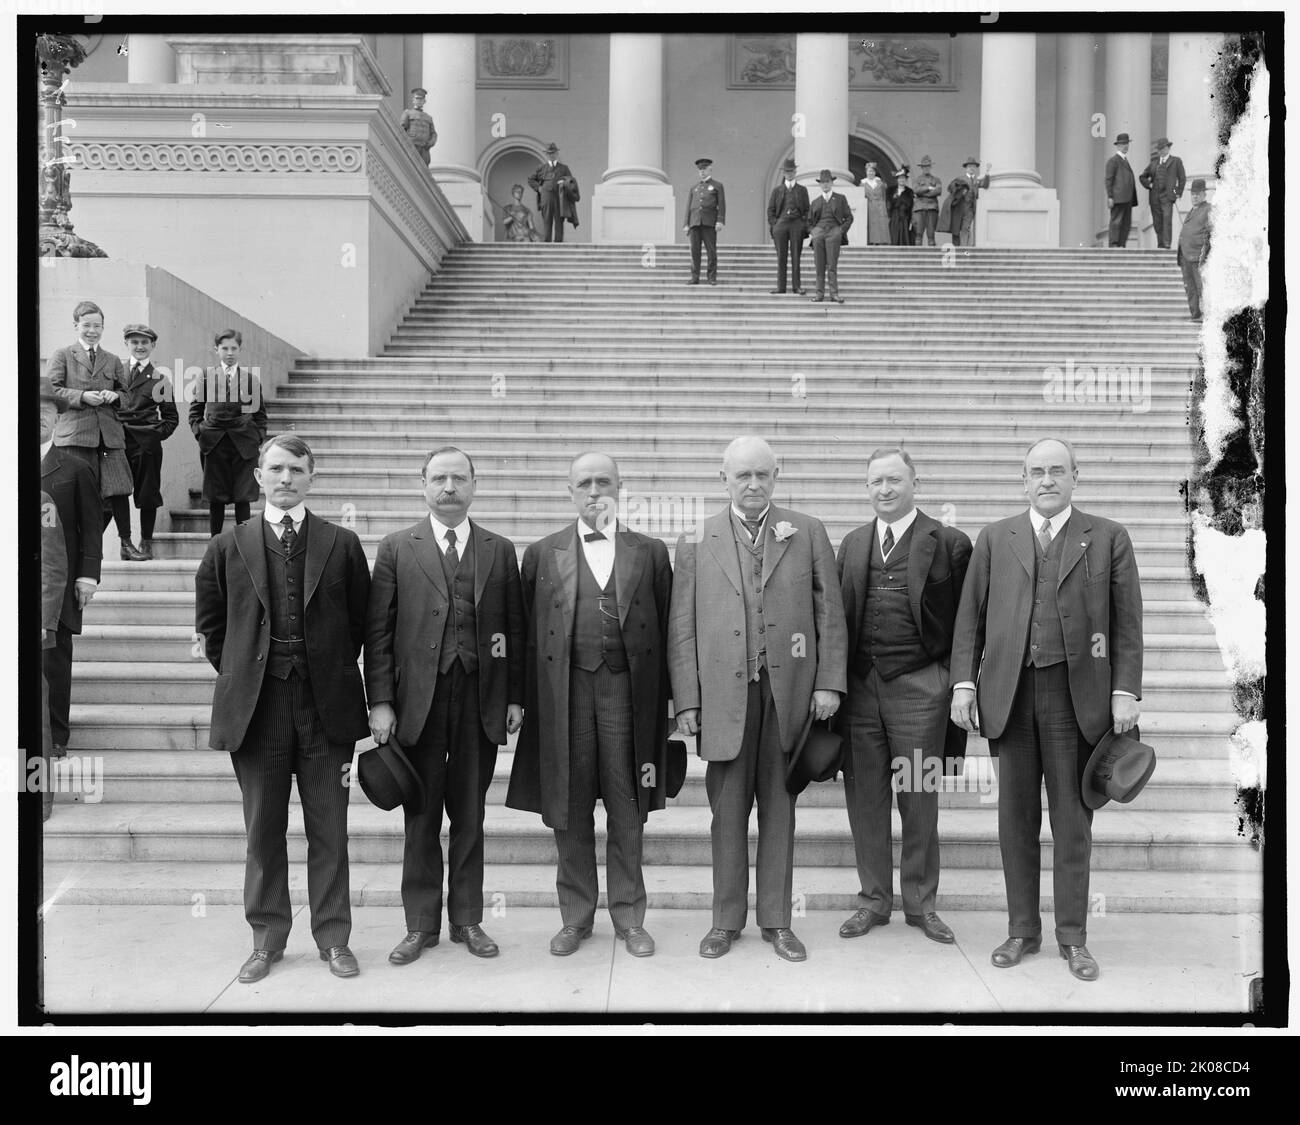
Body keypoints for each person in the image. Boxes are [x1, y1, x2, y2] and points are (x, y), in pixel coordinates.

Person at [950, 438, 1143, 982]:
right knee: (1014, 820)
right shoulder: (995, 538)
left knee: (1071, 821)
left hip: (1075, 699)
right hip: (1008, 698)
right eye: (1037, 472)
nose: (1047, 480)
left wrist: (1125, 689)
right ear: (1024, 480)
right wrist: (964, 683)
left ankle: (1074, 938)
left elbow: (1126, 621)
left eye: (1058, 471)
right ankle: (1021, 930)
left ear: (1076, 476)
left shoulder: (1107, 537)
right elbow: (970, 617)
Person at [194, 434, 372, 983]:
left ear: (311, 476)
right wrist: (249, 674)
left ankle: (334, 939)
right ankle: (267, 938)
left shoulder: (341, 543)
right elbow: (212, 627)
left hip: (326, 710)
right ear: (258, 475)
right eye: (276, 468)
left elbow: (361, 623)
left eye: (296, 469)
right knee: (262, 830)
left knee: (330, 829)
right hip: (258, 708)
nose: (286, 478)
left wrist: (324, 667)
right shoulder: (229, 545)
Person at [668, 436, 847, 963]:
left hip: (786, 697)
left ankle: (777, 921)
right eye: (742, 475)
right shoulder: (696, 538)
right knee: (726, 815)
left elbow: (830, 613)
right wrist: (687, 699)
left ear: (776, 475)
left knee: (779, 811)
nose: (753, 485)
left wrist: (828, 682)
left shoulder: (807, 530)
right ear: (722, 477)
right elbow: (682, 627)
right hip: (723, 698)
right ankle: (725, 921)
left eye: (762, 475)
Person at [506, 453, 674, 958]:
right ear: (570, 491)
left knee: (628, 807)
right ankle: (576, 917)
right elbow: (522, 635)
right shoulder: (540, 553)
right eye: (585, 483)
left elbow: (668, 632)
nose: (594, 491)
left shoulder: (650, 551)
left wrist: (669, 703)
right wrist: (518, 698)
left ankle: (629, 916)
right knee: (569, 807)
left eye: (604, 482)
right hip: (565, 695)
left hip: (628, 693)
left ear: (621, 487)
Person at [365, 447, 525, 965]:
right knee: (421, 814)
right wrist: (381, 702)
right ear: (424, 486)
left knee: (471, 815)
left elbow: (514, 632)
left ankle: (468, 920)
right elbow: (379, 632)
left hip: (479, 698)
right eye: (439, 478)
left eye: (459, 478)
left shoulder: (499, 550)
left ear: (475, 485)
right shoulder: (396, 547)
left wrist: (514, 695)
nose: (449, 486)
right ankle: (419, 925)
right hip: (419, 703)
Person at [836, 449, 971, 945]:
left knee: (919, 799)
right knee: (865, 799)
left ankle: (920, 903)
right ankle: (873, 901)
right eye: (876, 482)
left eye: (895, 480)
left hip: (921, 690)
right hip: (861, 693)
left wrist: (954, 681)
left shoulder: (950, 543)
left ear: (915, 482)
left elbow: (966, 622)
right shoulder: (851, 544)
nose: (885, 489)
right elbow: (835, 623)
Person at [45, 300, 140, 560]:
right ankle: (78, 547)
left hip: (108, 437)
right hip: (75, 437)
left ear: (103, 328)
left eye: (97, 326)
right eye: (86, 325)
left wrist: (115, 396)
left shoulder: (112, 360)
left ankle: (125, 544)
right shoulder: (63, 354)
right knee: (77, 496)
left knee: (119, 491)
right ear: (76, 325)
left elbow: (128, 396)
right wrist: (83, 396)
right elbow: (51, 391)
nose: (92, 331)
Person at [40, 375, 102, 762]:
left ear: (58, 419)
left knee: (54, 659)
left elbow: (91, 525)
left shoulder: (74, 468)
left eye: (46, 413)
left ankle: (57, 736)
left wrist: (88, 575)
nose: (39, 420)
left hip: (58, 584)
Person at [189, 329, 268, 537]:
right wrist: (201, 433)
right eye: (225, 348)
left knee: (243, 497)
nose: (230, 353)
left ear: (240, 350)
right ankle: (215, 543)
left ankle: (244, 544)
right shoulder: (206, 377)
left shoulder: (250, 380)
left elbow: (260, 415)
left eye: (234, 348)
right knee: (216, 497)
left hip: (244, 444)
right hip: (214, 443)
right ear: (216, 350)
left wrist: (257, 436)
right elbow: (195, 411)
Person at [115, 324, 178, 561]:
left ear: (153, 346)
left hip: (146, 446)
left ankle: (146, 541)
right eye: (134, 342)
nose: (139, 347)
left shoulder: (160, 379)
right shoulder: (114, 373)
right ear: (127, 344)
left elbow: (172, 418)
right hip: (117, 444)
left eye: (144, 342)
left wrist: (153, 435)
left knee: (147, 495)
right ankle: (125, 542)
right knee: (115, 494)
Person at [39, 378, 72, 819]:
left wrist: (43, 623)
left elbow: (51, 568)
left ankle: (37, 797)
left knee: (32, 711)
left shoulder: (40, 498)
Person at [807, 169, 853, 304]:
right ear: (820, 184)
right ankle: (819, 294)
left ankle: (834, 294)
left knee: (832, 266)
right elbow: (808, 222)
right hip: (819, 234)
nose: (825, 184)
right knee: (819, 265)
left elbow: (849, 217)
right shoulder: (815, 202)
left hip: (834, 232)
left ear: (831, 183)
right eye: (822, 182)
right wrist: (813, 232)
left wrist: (840, 230)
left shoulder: (840, 199)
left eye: (827, 182)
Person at [766, 157, 809, 295]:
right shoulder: (777, 190)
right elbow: (770, 210)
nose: (789, 174)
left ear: (795, 172)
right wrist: (774, 225)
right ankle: (781, 287)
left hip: (796, 224)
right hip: (781, 224)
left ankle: (797, 287)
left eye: (791, 171)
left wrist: (803, 225)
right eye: (786, 171)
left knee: (796, 256)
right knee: (781, 257)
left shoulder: (802, 190)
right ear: (783, 173)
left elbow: (807, 210)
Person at [683, 157, 726, 286]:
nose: (702, 172)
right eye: (700, 170)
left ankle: (711, 277)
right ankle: (694, 277)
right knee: (694, 251)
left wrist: (720, 221)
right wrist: (686, 223)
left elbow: (722, 205)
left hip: (709, 222)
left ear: (710, 169)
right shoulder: (694, 187)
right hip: (695, 223)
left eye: (704, 169)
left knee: (711, 251)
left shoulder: (717, 186)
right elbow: (689, 207)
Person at [1139, 137, 1187, 249]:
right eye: (1159, 149)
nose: (1161, 151)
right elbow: (1142, 177)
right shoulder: (1154, 163)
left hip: (1168, 196)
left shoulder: (1176, 161)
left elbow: (1182, 178)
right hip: (1154, 197)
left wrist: (1177, 192)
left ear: (1168, 148)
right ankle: (1160, 244)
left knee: (1167, 219)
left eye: (1163, 148)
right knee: (1157, 222)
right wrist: (1149, 185)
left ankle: (1166, 244)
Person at [527, 142, 579, 243]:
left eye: (553, 153)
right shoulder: (541, 168)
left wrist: (564, 183)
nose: (551, 155)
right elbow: (531, 180)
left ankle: (558, 243)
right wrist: (539, 188)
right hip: (546, 198)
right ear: (546, 154)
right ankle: (547, 242)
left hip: (560, 197)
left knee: (559, 221)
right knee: (547, 220)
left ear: (557, 154)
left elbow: (571, 182)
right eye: (549, 153)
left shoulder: (564, 168)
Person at [1177, 179, 1211, 322]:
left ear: (1204, 194)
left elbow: (1212, 233)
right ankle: (1195, 314)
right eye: (1193, 194)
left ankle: (1207, 316)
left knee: (1201, 287)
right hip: (1185, 256)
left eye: (1197, 194)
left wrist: (1205, 254)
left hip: (1198, 257)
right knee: (1190, 288)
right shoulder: (1193, 210)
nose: (1195, 197)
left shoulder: (1209, 209)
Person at [945, 157, 990, 247]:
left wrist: (987, 173)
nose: (971, 168)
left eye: (973, 166)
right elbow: (950, 188)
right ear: (966, 168)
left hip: (970, 208)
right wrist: (960, 191)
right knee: (956, 229)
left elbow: (985, 185)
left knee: (966, 228)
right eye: (969, 166)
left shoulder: (977, 180)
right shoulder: (960, 178)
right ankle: (957, 248)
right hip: (959, 207)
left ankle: (964, 248)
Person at [1105, 133, 1138, 247]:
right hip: (1118, 197)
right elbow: (1109, 179)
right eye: (1123, 144)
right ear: (1118, 145)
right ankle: (1114, 244)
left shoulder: (1125, 160)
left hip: (1127, 198)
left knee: (1126, 223)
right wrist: (1110, 196)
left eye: (1127, 143)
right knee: (1116, 221)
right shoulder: (1113, 161)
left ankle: (1121, 244)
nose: (1126, 146)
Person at [399, 87, 437, 166]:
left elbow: (433, 134)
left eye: (421, 99)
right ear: (413, 100)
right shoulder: (408, 113)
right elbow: (402, 129)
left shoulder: (428, 118)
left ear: (424, 101)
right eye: (417, 99)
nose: (419, 101)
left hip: (424, 148)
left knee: (424, 170)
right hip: (412, 146)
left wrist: (430, 143)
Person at [911, 155, 942, 246]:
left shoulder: (936, 179)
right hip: (919, 208)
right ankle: (917, 256)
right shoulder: (917, 179)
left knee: (931, 233)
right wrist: (928, 188)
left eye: (928, 166)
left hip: (932, 207)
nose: (926, 168)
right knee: (918, 233)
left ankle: (932, 255)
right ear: (921, 167)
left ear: (930, 167)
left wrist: (923, 192)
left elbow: (938, 191)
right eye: (924, 166)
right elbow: (916, 190)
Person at [861, 162, 890, 245]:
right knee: (870, 224)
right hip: (868, 206)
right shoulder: (862, 183)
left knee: (880, 223)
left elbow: (884, 196)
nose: (871, 173)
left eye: (873, 171)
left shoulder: (880, 183)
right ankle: (870, 242)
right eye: (869, 171)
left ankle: (880, 241)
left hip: (880, 205)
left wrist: (884, 208)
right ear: (866, 172)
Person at [887, 167, 915, 246]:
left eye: (903, 178)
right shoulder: (891, 190)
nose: (901, 180)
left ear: (906, 180)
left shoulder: (909, 191)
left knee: (905, 236)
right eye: (900, 178)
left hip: (905, 216)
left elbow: (911, 204)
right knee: (894, 235)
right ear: (897, 180)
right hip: (894, 215)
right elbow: (889, 203)